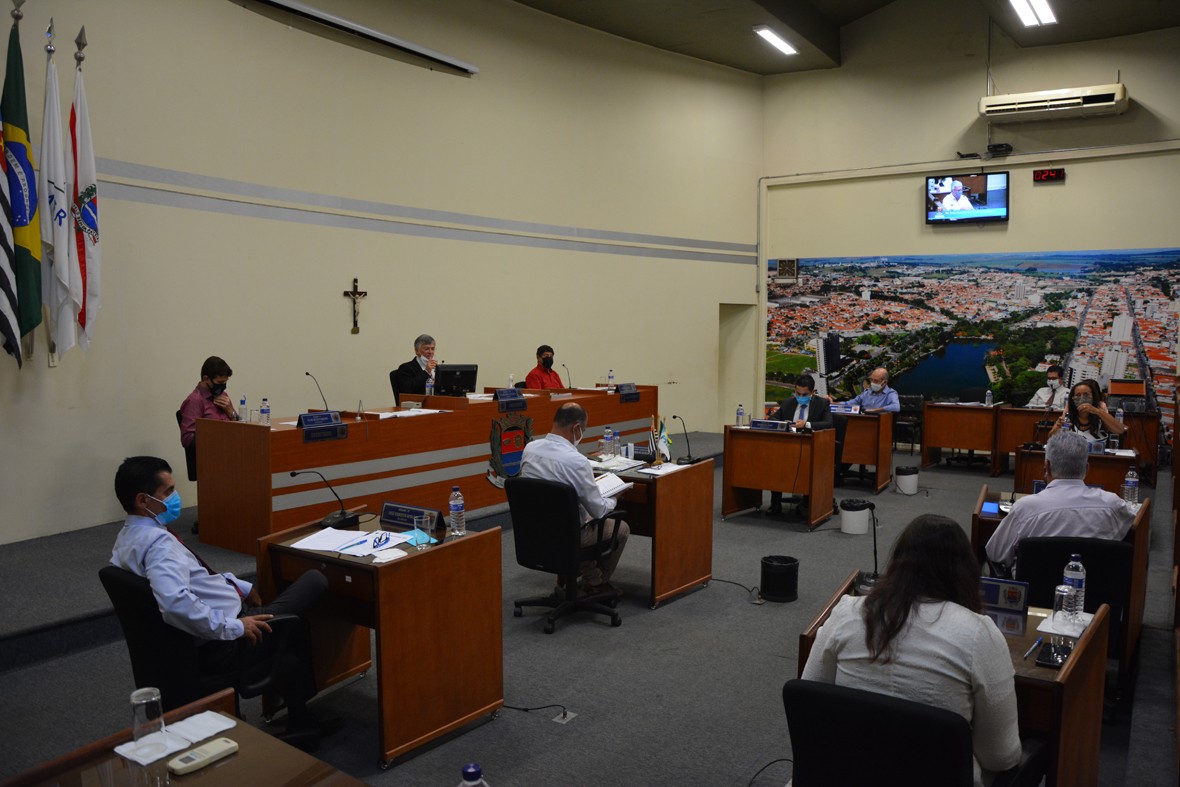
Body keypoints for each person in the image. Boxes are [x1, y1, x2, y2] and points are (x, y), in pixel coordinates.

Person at [110, 456, 337, 747]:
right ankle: (301, 721)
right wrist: (237, 627)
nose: (176, 498)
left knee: (292, 616)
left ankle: (296, 713)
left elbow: (193, 579)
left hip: (191, 644)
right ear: (143, 500)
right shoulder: (159, 545)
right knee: (313, 585)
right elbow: (176, 603)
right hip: (225, 643)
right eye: (168, 492)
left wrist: (237, 585)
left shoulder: (128, 538)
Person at [802, 515, 1021, 786]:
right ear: (965, 573)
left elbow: (808, 708)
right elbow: (1000, 756)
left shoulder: (847, 612)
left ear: (897, 564)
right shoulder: (979, 634)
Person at [520, 402, 630, 597]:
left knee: (578, 516)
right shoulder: (576, 461)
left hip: (535, 530)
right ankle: (597, 582)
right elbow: (598, 510)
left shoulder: (530, 449)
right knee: (619, 528)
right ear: (576, 428)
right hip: (569, 534)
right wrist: (614, 497)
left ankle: (572, 574)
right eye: (583, 430)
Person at [985, 431, 1136, 572]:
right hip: (1096, 591)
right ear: (1087, 469)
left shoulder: (1024, 508)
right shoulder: (1113, 505)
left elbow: (995, 553)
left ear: (1046, 467)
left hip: (1033, 591)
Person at [767, 374, 832, 516]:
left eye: (805, 394)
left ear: (813, 392)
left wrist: (806, 424)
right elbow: (772, 419)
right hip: (787, 446)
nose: (800, 397)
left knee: (808, 466)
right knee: (775, 463)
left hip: (811, 447)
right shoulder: (788, 402)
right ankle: (775, 503)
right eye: (798, 393)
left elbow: (828, 423)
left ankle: (807, 504)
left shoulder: (822, 403)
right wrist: (783, 423)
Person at [179, 356, 239, 450]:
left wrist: (231, 412)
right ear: (206, 379)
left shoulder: (223, 395)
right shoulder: (195, 400)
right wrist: (216, 432)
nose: (223, 386)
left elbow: (240, 428)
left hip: (230, 448)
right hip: (211, 453)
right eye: (220, 382)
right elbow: (187, 440)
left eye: (225, 382)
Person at [1047, 378, 1126, 446]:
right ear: (1073, 398)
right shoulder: (1069, 415)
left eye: (1086, 395)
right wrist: (1058, 425)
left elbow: (1120, 430)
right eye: (1078, 395)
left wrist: (1097, 411)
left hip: (1097, 456)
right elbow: (1051, 439)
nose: (1082, 398)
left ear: (1093, 397)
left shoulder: (1100, 413)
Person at [394, 334, 437, 402]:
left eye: (432, 349)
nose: (430, 352)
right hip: (416, 404)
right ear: (417, 351)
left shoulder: (438, 369)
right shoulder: (406, 368)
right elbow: (406, 390)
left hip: (437, 403)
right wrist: (426, 371)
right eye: (426, 349)